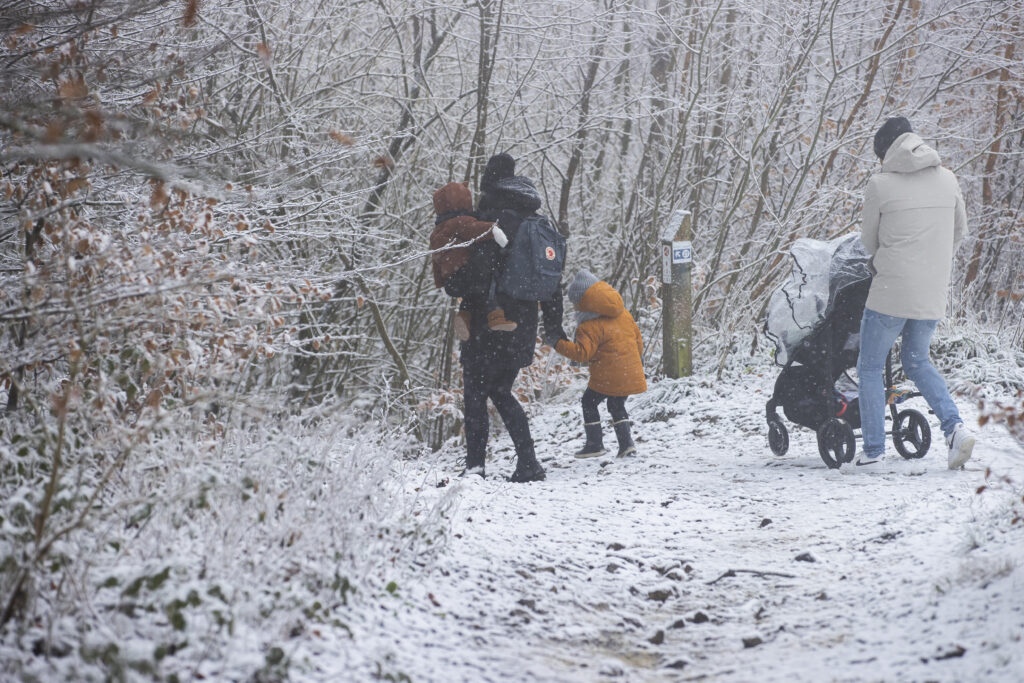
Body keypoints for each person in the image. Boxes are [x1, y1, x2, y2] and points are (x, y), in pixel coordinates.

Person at [855, 116, 975, 469]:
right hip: (932, 290)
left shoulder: (880, 184)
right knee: (918, 360)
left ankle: (874, 451)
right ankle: (956, 431)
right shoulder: (948, 178)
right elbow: (959, 232)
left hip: (891, 289)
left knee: (870, 366)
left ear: (887, 152)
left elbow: (867, 242)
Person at [459, 153, 565, 483]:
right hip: (523, 323)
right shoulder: (536, 220)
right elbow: (553, 282)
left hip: (489, 322)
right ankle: (528, 462)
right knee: (501, 390)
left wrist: (456, 284)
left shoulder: (492, 217)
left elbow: (476, 274)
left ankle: (476, 468)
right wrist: (553, 325)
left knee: (477, 394)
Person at [546, 269, 646, 458]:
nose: (575, 308)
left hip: (608, 376)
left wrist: (557, 343)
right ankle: (627, 445)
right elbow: (638, 341)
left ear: (584, 302)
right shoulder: (623, 314)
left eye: (576, 303)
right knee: (616, 406)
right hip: (630, 371)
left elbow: (582, 354)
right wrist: (633, 363)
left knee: (589, 402)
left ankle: (594, 444)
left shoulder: (589, 325)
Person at [429, 181, 517, 340]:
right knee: (485, 286)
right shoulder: (459, 221)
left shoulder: (436, 232)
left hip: (451, 280)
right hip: (466, 270)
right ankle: (495, 316)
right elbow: (475, 229)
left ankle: (463, 316)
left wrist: (440, 282)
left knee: (470, 295)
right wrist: (494, 230)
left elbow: (436, 259)